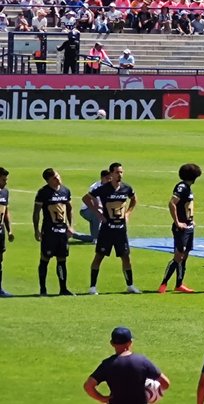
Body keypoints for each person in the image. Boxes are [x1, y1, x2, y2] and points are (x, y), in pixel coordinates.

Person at [84, 162, 139, 294]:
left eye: (121, 172)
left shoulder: (126, 188)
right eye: (117, 172)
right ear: (111, 174)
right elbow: (86, 198)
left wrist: (128, 213)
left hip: (120, 229)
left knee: (126, 257)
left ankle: (130, 285)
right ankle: (92, 287)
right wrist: (98, 214)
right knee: (99, 256)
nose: (119, 175)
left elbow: (134, 199)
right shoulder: (104, 189)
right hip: (107, 229)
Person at [84, 326, 169, 404]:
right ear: (130, 342)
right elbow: (165, 383)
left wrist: (102, 398)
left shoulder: (107, 364)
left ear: (112, 343)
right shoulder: (142, 361)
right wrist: (152, 395)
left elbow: (88, 386)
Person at [159, 162, 201, 294]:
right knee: (178, 255)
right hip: (181, 228)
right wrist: (177, 222)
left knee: (185, 255)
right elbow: (172, 203)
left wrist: (191, 220)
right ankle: (163, 283)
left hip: (188, 226)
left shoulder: (188, 188)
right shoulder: (182, 187)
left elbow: (188, 206)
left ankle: (179, 284)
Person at [33, 167, 74, 296]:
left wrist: (71, 226)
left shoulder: (65, 191)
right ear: (48, 180)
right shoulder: (43, 193)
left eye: (58, 176)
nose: (58, 179)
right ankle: (43, 289)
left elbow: (69, 208)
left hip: (62, 232)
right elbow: (36, 213)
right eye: (54, 178)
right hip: (49, 232)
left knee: (62, 260)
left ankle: (63, 289)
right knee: (45, 259)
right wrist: (36, 230)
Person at [0, 167, 12, 297]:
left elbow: (6, 212)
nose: (5, 182)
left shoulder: (5, 192)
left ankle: (0, 289)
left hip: (0, 232)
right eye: (3, 180)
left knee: (0, 260)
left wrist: (9, 230)